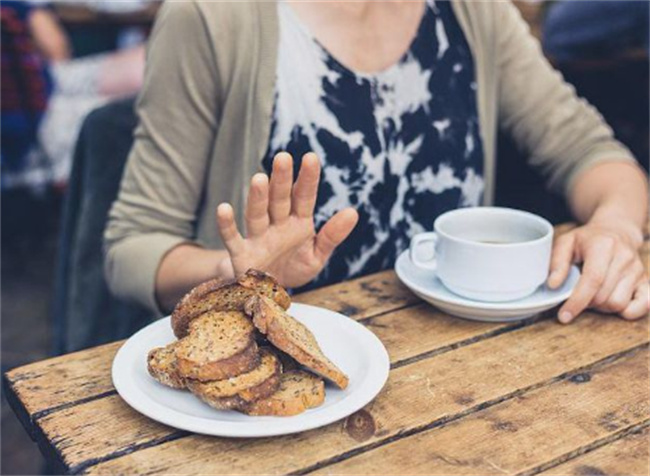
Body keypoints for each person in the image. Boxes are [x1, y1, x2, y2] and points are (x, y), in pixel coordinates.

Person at [104, 0, 649, 324]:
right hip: (282, 382)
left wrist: (616, 227)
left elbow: (588, 151)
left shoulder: (472, 9)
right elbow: (133, 247)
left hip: (460, 368)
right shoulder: (212, 15)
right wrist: (234, 273)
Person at [0, 1, 145, 189]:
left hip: (46, 82)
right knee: (141, 112)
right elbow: (56, 47)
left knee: (150, 61)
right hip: (29, 136)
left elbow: (57, 51)